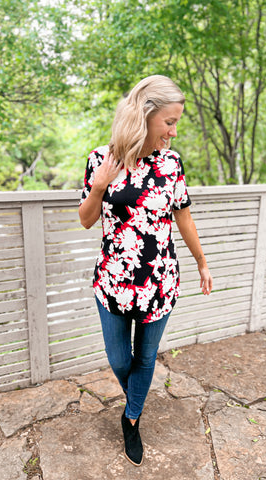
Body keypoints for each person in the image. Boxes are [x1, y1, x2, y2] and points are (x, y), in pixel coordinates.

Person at [78, 75, 213, 467]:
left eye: (176, 123)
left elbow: (184, 219)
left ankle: (131, 417)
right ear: (146, 115)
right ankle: (136, 397)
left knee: (147, 356)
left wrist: (202, 262)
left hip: (159, 282)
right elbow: (86, 220)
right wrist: (100, 186)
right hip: (113, 282)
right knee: (121, 359)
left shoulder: (171, 164)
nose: (173, 131)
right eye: (169, 122)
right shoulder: (99, 159)